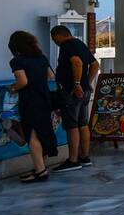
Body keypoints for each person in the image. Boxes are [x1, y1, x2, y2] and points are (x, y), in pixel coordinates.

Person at [7, 31, 58, 183]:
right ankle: (38, 168)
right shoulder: (41, 58)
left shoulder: (17, 61)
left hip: (30, 100)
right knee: (42, 133)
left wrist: (14, 88)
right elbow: (51, 76)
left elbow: (23, 81)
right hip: (44, 98)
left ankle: (41, 171)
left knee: (33, 136)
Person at [50, 25, 99, 172]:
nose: (54, 42)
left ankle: (73, 160)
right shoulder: (80, 44)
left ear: (60, 35)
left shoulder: (67, 45)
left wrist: (77, 84)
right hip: (84, 92)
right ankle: (84, 157)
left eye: (54, 39)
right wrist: (87, 83)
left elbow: (76, 62)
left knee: (72, 126)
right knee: (82, 124)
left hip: (71, 92)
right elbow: (95, 65)